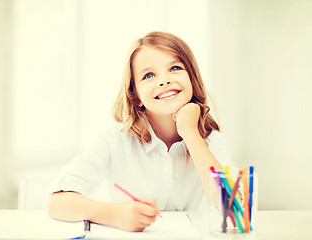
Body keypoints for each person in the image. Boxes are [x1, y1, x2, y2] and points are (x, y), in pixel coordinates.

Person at [48, 31, 238, 232]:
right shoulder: (115, 138)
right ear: (136, 95)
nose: (164, 81)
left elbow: (234, 210)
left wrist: (191, 135)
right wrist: (115, 215)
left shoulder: (213, 142)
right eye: (149, 75)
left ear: (192, 79)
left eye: (175, 68)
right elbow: (58, 204)